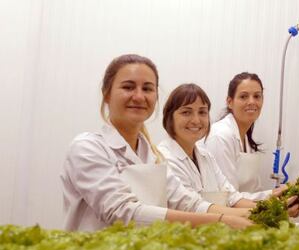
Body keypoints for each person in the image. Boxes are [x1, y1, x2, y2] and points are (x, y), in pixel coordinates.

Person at [60, 54, 252, 231]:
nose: (138, 96)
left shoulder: (152, 156)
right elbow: (122, 212)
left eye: (147, 88)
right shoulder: (87, 147)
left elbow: (186, 201)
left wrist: (249, 214)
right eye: (128, 87)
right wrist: (221, 220)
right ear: (107, 94)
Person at [158, 83, 299, 217]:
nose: (196, 120)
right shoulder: (164, 159)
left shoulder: (205, 157)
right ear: (169, 117)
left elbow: (232, 197)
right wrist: (272, 211)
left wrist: (277, 199)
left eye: (202, 112)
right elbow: (194, 207)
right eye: (186, 112)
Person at [204, 72, 270, 198]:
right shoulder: (220, 136)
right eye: (244, 97)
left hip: (244, 210)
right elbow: (228, 197)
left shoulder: (245, 137)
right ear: (230, 102)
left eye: (257, 96)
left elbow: (254, 189)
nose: (252, 102)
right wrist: (274, 195)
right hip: (222, 213)